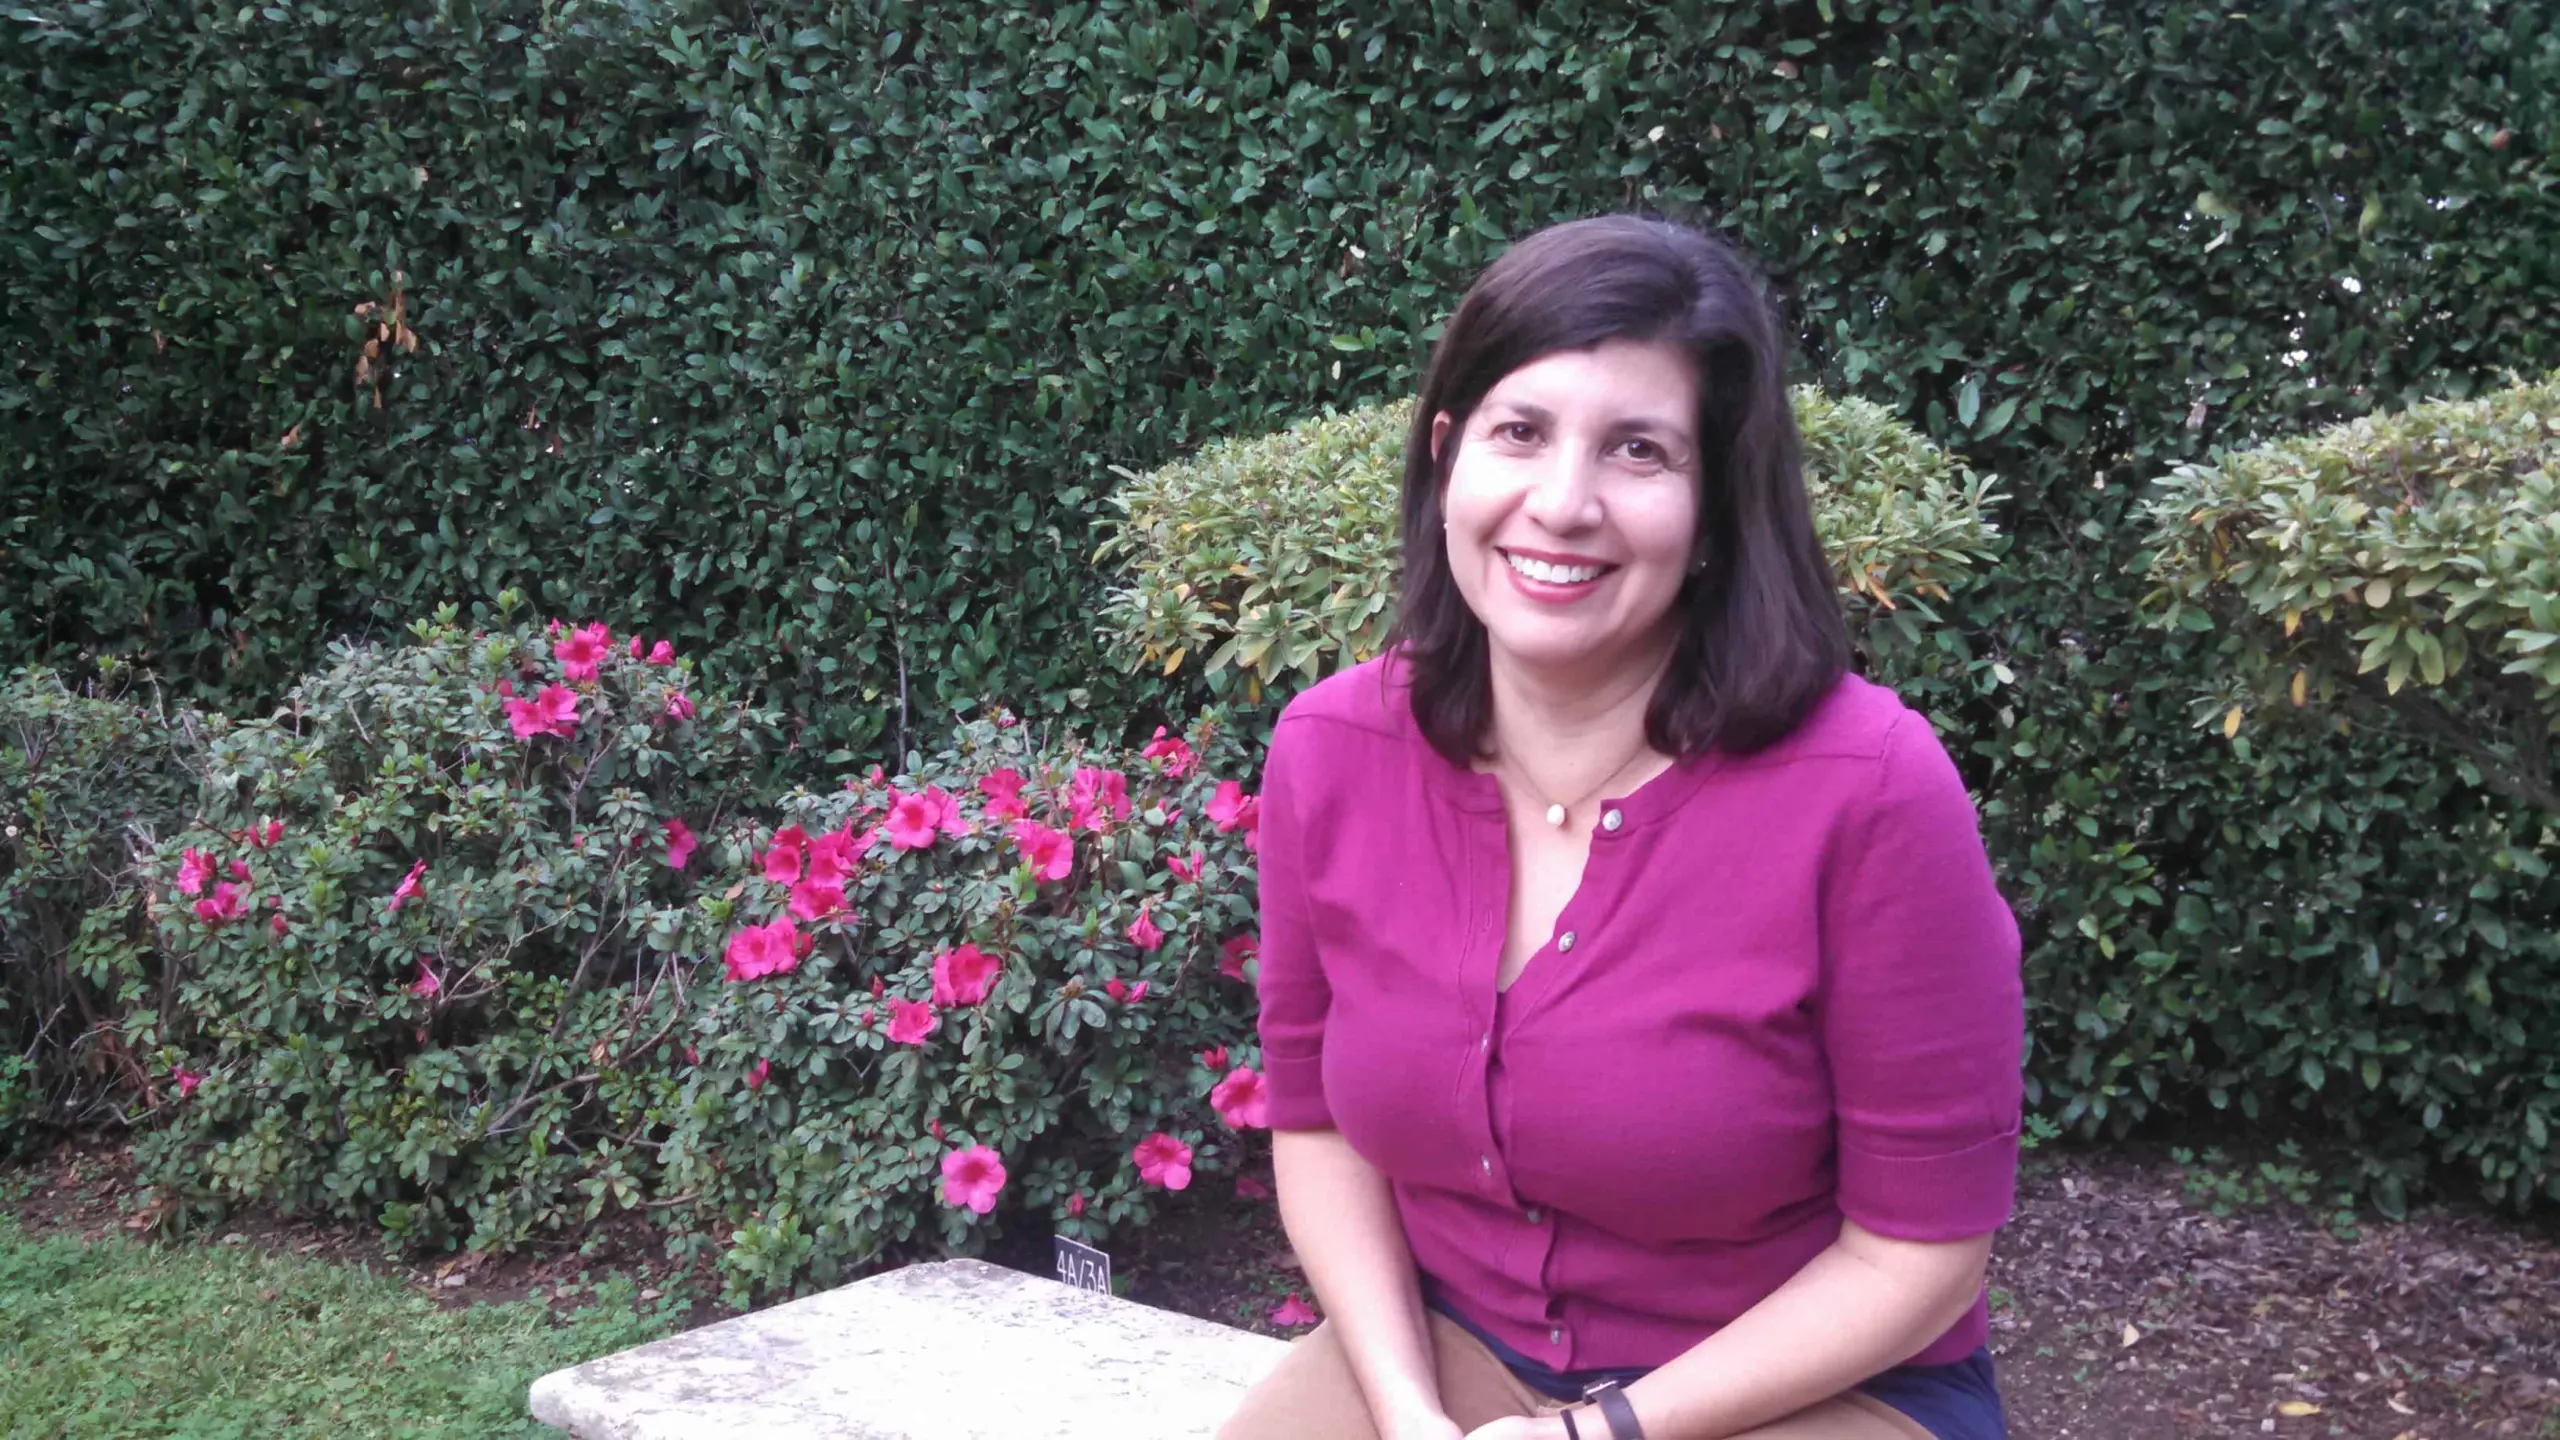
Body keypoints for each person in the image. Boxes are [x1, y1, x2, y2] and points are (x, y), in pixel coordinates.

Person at [1217, 215, 2023, 1440]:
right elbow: (1317, 1124)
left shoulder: (1868, 791)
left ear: (1713, 509)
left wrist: (1596, 1435)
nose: (1563, 502)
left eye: (1638, 450)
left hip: (1806, 1385)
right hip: (1449, 1352)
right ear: (1447, 457)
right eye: (1520, 432)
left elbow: (1919, 1258)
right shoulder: (1331, 751)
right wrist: (1405, 1411)